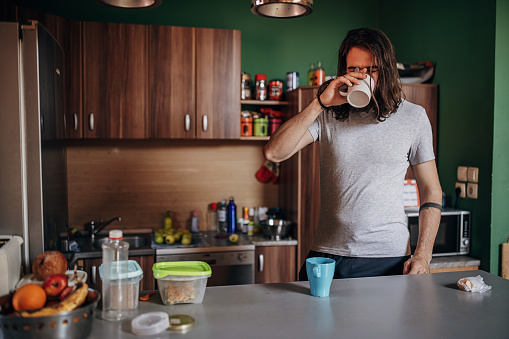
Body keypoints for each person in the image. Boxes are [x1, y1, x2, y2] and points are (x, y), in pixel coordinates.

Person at [263, 28, 442, 280]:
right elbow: (274, 152)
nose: (361, 77)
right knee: (310, 320)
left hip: (388, 258)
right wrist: (319, 104)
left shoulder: (413, 117)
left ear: (388, 70)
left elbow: (431, 190)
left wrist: (423, 254)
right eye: (354, 70)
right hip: (327, 255)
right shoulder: (328, 113)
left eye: (371, 70)